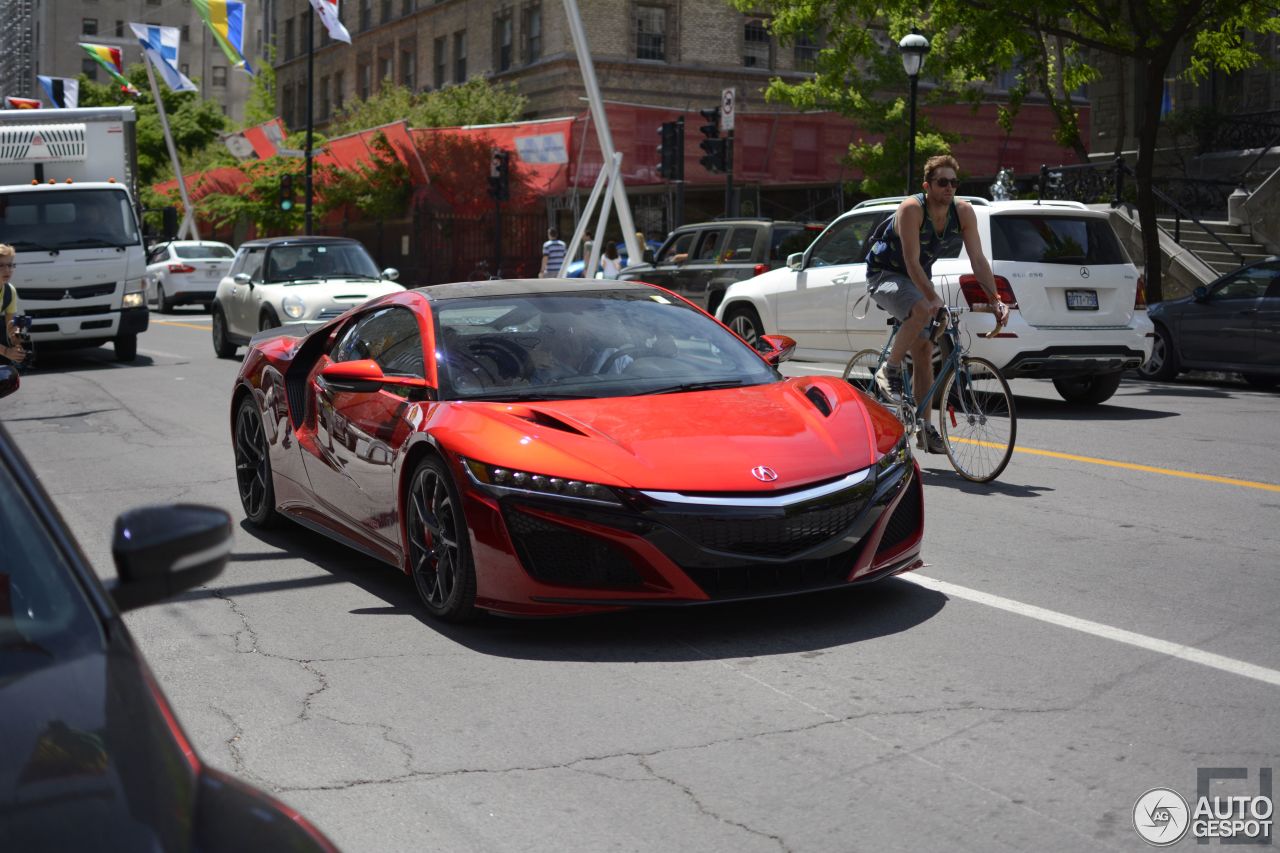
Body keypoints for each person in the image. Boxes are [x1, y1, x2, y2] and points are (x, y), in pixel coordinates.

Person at [864, 154, 1008, 453]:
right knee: (920, 308)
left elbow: (978, 260)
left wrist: (995, 300)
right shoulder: (912, 209)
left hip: (917, 280)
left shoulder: (963, 212)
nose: (949, 188)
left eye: (954, 182)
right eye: (942, 182)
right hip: (885, 275)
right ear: (927, 185)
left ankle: (924, 427)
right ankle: (888, 370)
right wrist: (932, 298)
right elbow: (911, 262)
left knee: (924, 350)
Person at [0, 244, 27, 367]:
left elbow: (10, 326)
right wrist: (6, 352)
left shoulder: (10, 291)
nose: (7, 270)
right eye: (1, 265)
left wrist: (17, 339)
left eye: (10, 265)